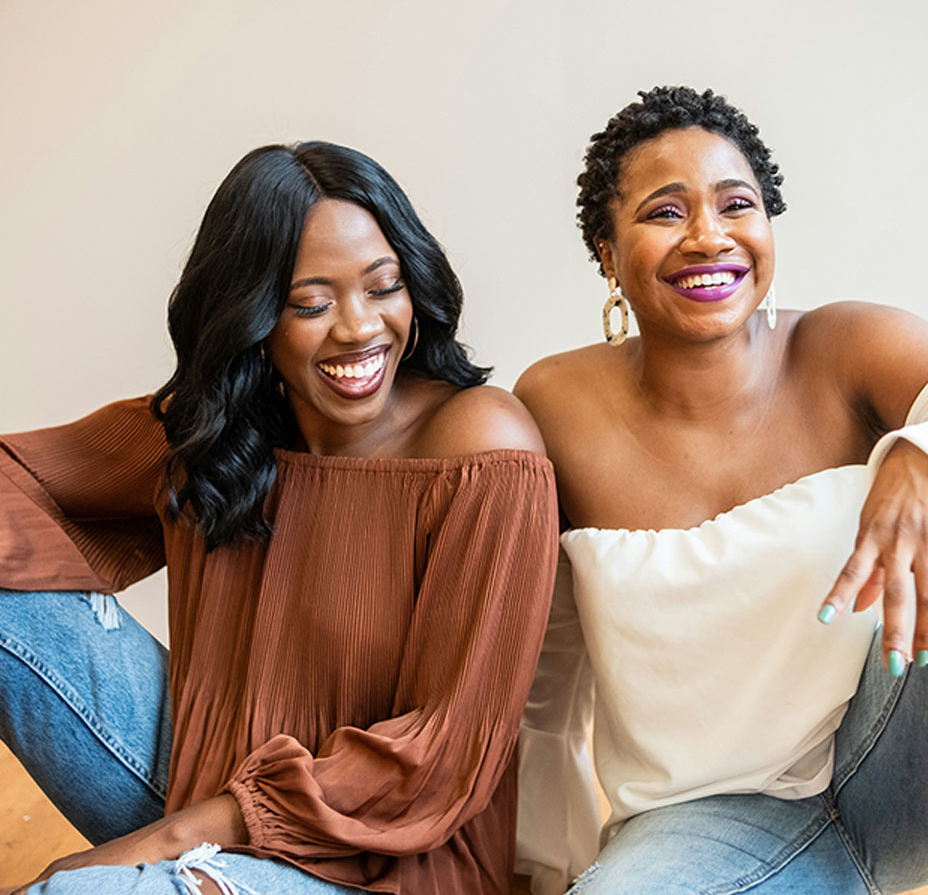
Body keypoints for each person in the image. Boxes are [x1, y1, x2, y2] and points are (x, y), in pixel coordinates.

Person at [0, 141, 558, 895]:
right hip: (206, 783)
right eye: (311, 304)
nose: (360, 328)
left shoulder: (483, 447)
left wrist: (164, 841)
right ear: (255, 319)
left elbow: (442, 757)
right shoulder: (220, 433)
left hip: (386, 863)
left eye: (383, 286)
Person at [513, 87, 928, 895]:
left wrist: (917, 453)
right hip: (705, 820)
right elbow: (545, 671)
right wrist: (540, 865)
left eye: (736, 205)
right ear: (607, 251)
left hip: (904, 747)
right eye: (666, 213)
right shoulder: (554, 405)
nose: (708, 236)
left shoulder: (847, 347)